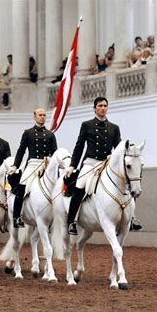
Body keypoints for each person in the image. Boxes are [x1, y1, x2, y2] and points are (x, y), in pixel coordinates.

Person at [65, 97, 123, 235]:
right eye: (100, 105)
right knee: (79, 185)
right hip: (90, 163)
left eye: (105, 106)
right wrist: (73, 165)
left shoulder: (114, 128)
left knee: (123, 184)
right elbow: (79, 147)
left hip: (105, 164)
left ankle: (129, 219)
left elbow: (119, 149)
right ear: (95, 108)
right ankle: (71, 221)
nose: (103, 108)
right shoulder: (87, 125)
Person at [9, 108, 57, 228]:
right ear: (35, 117)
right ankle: (17, 217)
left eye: (44, 115)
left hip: (45, 165)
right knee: (22, 186)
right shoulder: (28, 133)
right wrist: (15, 165)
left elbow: (55, 153)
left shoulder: (50, 134)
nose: (42, 117)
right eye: (40, 115)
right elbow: (21, 151)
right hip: (32, 164)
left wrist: (50, 160)